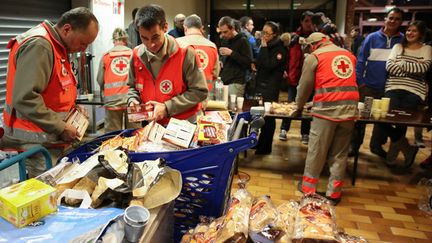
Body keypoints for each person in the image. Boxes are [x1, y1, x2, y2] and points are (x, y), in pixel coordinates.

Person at [0, 7, 99, 178]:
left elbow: (55, 90)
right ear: (67, 29)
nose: (84, 49)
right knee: (46, 194)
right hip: (35, 142)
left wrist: (73, 110)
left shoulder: (58, 47)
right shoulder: (40, 46)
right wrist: (60, 126)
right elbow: (25, 98)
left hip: (50, 139)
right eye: (83, 43)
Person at [297, 32, 359, 205]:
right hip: (349, 111)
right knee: (340, 153)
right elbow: (338, 83)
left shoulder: (314, 56)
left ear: (312, 45)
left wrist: (299, 106)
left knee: (317, 151)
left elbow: (304, 87)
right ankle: (334, 193)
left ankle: (308, 190)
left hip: (326, 112)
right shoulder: (348, 55)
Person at [127, 4, 208, 125]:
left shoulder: (185, 53)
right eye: (144, 38)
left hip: (182, 125)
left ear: (165, 27)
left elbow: (199, 91)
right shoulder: (136, 55)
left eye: (155, 37)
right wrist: (132, 100)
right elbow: (132, 87)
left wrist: (167, 107)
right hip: (151, 124)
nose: (150, 44)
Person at [350, 7, 404, 158]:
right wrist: (360, 83)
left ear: (401, 22)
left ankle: (376, 146)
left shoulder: (403, 40)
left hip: (389, 88)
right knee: (361, 117)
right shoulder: (372, 38)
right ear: (385, 19)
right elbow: (360, 61)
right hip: (368, 87)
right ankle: (354, 146)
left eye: (397, 19)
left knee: (382, 119)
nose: (393, 21)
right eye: (391, 18)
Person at [383, 20, 431, 168]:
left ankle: (393, 153)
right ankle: (406, 147)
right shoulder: (398, 47)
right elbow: (390, 67)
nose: (410, 33)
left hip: (414, 91)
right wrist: (412, 67)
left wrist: (402, 64)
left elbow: (423, 68)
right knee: (382, 119)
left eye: (414, 31)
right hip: (393, 87)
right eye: (409, 30)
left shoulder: (427, 48)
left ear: (421, 34)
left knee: (401, 123)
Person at [279, 11, 314, 144]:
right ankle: (283, 129)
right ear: (301, 22)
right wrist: (285, 69)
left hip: (309, 78)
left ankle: (305, 133)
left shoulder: (316, 38)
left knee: (306, 107)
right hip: (294, 77)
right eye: (306, 21)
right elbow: (286, 55)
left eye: (310, 21)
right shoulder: (294, 37)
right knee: (290, 104)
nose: (308, 24)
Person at [97, 28, 141, 132]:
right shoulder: (134, 53)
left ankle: (114, 149)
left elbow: (100, 79)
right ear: (126, 40)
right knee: (134, 133)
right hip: (133, 100)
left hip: (112, 101)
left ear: (113, 41)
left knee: (112, 135)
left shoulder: (106, 56)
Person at [253, 21, 287, 155]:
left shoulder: (280, 49)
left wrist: (264, 47)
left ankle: (266, 147)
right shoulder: (266, 46)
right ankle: (260, 143)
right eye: (263, 32)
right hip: (261, 84)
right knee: (260, 116)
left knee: (268, 118)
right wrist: (254, 63)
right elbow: (261, 61)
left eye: (267, 33)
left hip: (271, 87)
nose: (264, 35)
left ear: (274, 35)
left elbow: (268, 65)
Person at [176, 14, 220, 99]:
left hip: (183, 96)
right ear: (201, 28)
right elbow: (215, 73)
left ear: (185, 28)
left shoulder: (177, 44)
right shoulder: (212, 46)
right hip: (206, 94)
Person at [218, 16, 252, 97]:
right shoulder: (225, 40)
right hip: (224, 80)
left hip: (237, 82)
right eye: (221, 32)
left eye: (225, 32)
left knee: (234, 108)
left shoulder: (243, 40)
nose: (222, 35)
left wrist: (232, 53)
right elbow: (223, 58)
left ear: (232, 29)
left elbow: (248, 62)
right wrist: (220, 61)